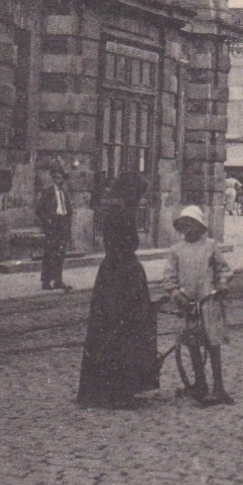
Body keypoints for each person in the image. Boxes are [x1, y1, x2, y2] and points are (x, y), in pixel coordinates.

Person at [77, 173, 159, 409]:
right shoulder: (123, 213)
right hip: (125, 275)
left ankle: (102, 388)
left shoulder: (113, 211)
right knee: (126, 328)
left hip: (111, 275)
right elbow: (129, 244)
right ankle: (120, 390)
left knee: (108, 329)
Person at [162, 204, 234, 406]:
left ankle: (219, 388)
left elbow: (224, 269)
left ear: (199, 226)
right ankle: (200, 383)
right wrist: (176, 293)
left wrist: (221, 284)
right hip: (188, 304)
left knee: (213, 344)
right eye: (184, 225)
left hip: (208, 301)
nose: (188, 229)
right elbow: (169, 277)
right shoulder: (176, 250)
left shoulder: (210, 246)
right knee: (193, 343)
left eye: (192, 225)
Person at [35, 158, 73, 292]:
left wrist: (68, 225)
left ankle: (58, 280)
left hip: (63, 223)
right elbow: (38, 210)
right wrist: (48, 221)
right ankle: (46, 281)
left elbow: (69, 210)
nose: (58, 180)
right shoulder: (48, 192)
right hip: (53, 224)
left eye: (60, 178)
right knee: (49, 253)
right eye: (55, 178)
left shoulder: (65, 192)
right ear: (52, 178)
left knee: (60, 253)